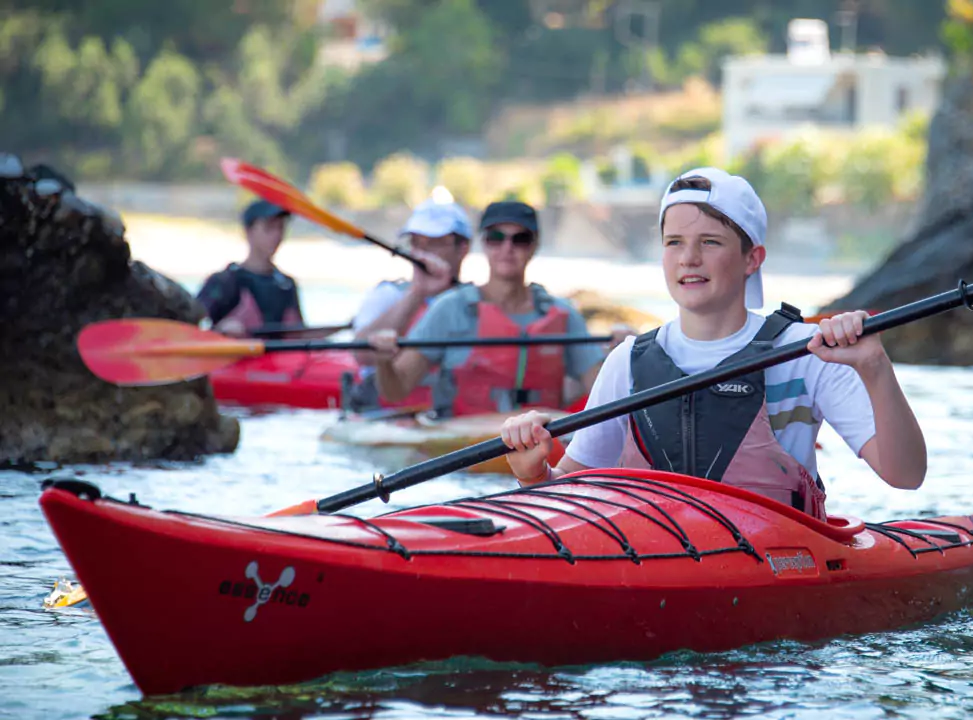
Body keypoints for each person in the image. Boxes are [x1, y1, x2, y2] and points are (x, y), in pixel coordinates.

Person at [496, 168, 927, 521]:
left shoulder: (807, 353)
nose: (688, 258)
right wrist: (534, 476)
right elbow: (567, 501)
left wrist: (875, 367)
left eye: (710, 242)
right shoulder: (626, 362)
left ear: (752, 259)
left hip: (778, 562)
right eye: (674, 243)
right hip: (652, 557)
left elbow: (905, 475)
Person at [368, 200, 613, 418]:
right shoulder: (451, 308)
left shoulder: (563, 314)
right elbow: (396, 390)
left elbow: (605, 392)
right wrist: (383, 363)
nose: (507, 248)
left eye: (520, 239)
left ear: (534, 245)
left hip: (538, 445)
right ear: (483, 243)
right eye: (496, 238)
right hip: (462, 448)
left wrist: (624, 355)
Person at [347, 197, 470, 410]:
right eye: (416, 243)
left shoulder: (475, 302)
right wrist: (418, 293)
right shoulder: (387, 295)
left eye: (434, 242)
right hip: (383, 414)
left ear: (463, 248)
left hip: (447, 417)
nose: (422, 253)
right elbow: (363, 354)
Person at [196, 200, 302, 338]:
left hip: (278, 358)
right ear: (248, 231)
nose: (276, 235)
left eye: (280, 227)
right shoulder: (224, 281)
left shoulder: (286, 285)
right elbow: (194, 326)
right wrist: (222, 329)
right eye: (269, 228)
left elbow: (300, 333)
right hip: (236, 357)